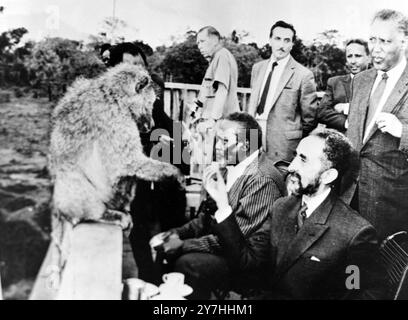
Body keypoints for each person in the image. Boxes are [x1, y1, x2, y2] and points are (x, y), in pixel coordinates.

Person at [209, 128, 388, 299]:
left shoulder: (354, 233)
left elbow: (361, 292)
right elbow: (247, 261)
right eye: (295, 156)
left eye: (303, 159)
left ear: (328, 176)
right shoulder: (281, 208)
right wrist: (223, 205)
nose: (291, 167)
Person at [153, 112, 286, 299]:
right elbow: (207, 218)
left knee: (188, 262)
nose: (217, 146)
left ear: (245, 145)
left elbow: (234, 239)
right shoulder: (230, 165)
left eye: (224, 141)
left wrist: (183, 245)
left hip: (247, 263)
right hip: (228, 247)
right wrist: (177, 234)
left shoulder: (262, 179)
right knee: (164, 248)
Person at [343, 9, 408, 241]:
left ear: (404, 41)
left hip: (389, 204)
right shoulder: (361, 80)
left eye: (384, 41)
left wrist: (403, 132)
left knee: (379, 272)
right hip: (347, 195)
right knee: (349, 268)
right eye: (373, 39)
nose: (375, 48)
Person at [247, 20, 318, 162]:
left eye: (287, 41)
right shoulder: (257, 68)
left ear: (292, 44)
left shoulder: (303, 74)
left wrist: (291, 135)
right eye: (277, 39)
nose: (281, 45)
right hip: (253, 131)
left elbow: (309, 119)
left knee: (277, 180)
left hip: (283, 142)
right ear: (270, 40)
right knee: (249, 175)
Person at [188, 26, 240, 177]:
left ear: (215, 40)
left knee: (218, 173)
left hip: (222, 125)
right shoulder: (215, 60)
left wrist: (212, 120)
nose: (200, 47)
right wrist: (195, 110)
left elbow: (222, 89)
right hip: (218, 125)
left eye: (203, 41)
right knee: (213, 171)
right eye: (198, 43)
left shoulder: (222, 56)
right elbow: (207, 92)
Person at [317, 39, 371, 132]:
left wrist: (346, 108)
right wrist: (347, 123)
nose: (353, 61)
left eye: (358, 56)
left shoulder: (379, 81)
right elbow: (322, 112)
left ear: (369, 58)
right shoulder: (335, 82)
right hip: (339, 139)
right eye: (349, 56)